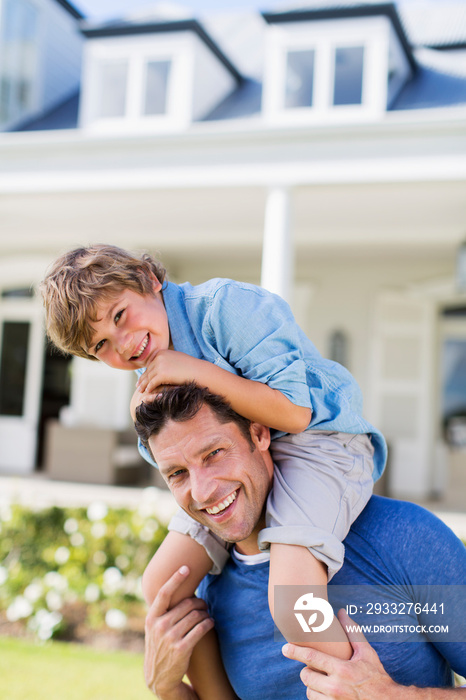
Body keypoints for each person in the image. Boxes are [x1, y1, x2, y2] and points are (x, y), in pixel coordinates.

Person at [40, 244, 387, 659]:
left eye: (120, 316)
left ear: (149, 279)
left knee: (294, 604)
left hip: (319, 440)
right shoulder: (150, 357)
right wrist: (145, 424)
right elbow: (172, 459)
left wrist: (194, 371)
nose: (125, 344)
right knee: (162, 588)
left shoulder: (226, 308)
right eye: (101, 346)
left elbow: (294, 412)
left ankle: (361, 686)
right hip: (235, 460)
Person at [134, 384, 466, 700]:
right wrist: (170, 690)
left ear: (259, 433)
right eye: (177, 473)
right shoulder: (208, 592)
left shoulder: (400, 538)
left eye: (214, 453)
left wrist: (391, 695)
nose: (202, 490)